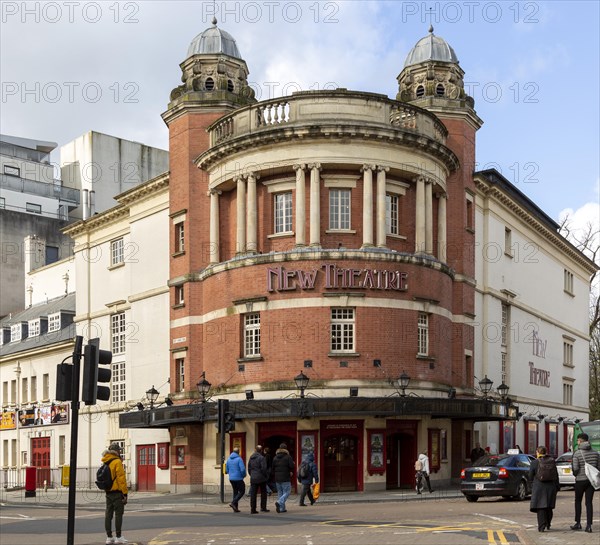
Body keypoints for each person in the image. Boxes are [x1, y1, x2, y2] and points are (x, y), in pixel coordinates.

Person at [571, 432, 600, 533]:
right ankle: (589, 525)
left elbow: (575, 468)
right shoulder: (596, 453)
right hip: (591, 481)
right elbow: (598, 467)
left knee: (578, 501)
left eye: (578, 440)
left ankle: (578, 523)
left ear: (580, 441)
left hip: (580, 480)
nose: (577, 442)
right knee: (589, 503)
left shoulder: (577, 453)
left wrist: (576, 475)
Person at [528, 445, 559, 532]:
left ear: (538, 452)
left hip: (539, 487)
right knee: (549, 507)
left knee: (541, 507)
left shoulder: (534, 463)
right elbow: (556, 475)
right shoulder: (552, 461)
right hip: (551, 486)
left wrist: (531, 484)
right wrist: (557, 487)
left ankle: (541, 527)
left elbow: (530, 476)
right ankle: (548, 524)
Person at [102, 442, 128, 544]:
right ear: (116, 451)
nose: (120, 452)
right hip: (117, 492)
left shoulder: (105, 461)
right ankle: (118, 536)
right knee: (118, 514)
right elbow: (121, 479)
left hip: (108, 492)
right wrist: (125, 494)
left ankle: (109, 537)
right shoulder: (117, 461)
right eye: (119, 450)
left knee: (108, 514)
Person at [271, 442, 295, 513]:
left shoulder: (275, 457)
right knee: (287, 491)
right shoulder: (288, 457)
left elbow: (272, 468)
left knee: (280, 493)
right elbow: (292, 466)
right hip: (285, 477)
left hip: (277, 478)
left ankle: (282, 508)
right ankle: (279, 502)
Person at [247, 445, 269, 514]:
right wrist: (265, 476)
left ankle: (253, 509)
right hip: (261, 478)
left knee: (253, 494)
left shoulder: (251, 458)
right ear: (261, 450)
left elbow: (249, 468)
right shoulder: (262, 458)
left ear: (255, 450)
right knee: (263, 493)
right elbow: (264, 468)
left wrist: (252, 475)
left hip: (253, 477)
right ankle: (263, 507)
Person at [225, 447, 246, 513]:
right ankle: (233, 503)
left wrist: (231, 474)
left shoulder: (228, 459)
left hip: (231, 478)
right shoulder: (239, 459)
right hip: (238, 478)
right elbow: (242, 469)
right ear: (238, 452)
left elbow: (226, 470)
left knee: (235, 492)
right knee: (242, 491)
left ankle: (235, 508)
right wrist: (243, 475)